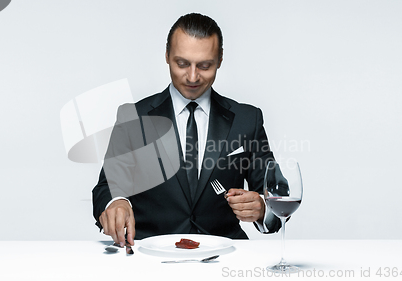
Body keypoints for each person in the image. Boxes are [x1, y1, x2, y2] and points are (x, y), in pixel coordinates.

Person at [92, 13, 282, 248]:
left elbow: (277, 195)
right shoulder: (133, 117)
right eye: (182, 64)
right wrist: (116, 202)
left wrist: (263, 208)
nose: (193, 77)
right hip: (150, 255)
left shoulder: (247, 119)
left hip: (224, 255)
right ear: (167, 56)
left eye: (205, 65)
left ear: (220, 60)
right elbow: (106, 187)